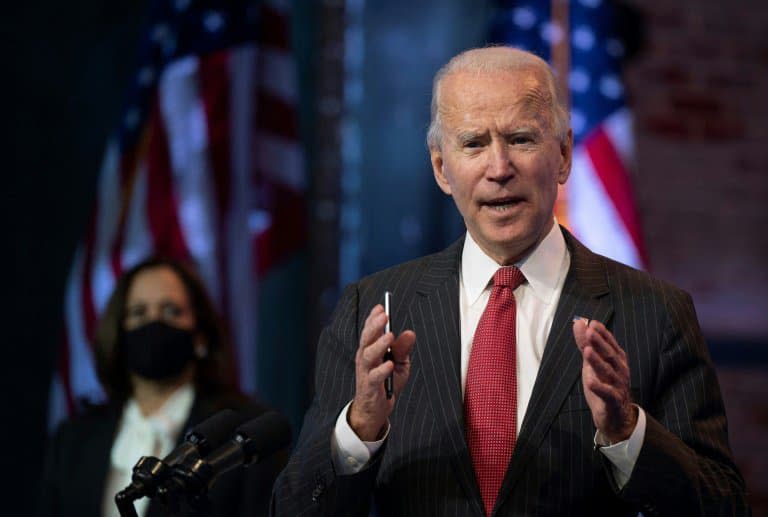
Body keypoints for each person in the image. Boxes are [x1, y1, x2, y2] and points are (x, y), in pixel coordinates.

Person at [271, 47, 749, 516]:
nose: (499, 169)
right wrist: (359, 429)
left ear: (562, 155)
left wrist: (629, 434)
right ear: (442, 168)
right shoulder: (373, 309)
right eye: (473, 143)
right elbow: (292, 507)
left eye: (521, 139)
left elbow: (723, 504)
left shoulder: (655, 313)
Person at [39, 257, 288, 516]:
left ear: (200, 335)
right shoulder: (73, 442)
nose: (154, 322)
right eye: (139, 313)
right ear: (119, 334)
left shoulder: (244, 434)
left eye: (171, 311)